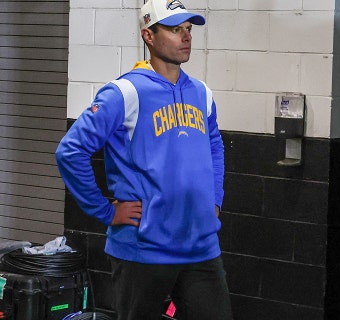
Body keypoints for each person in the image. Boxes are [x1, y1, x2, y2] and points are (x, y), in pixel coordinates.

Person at [55, 0, 232, 319]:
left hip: (198, 245)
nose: (186, 37)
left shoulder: (201, 93)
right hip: (142, 246)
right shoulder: (125, 92)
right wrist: (106, 211)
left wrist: (215, 198)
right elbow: (70, 151)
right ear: (149, 36)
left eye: (188, 29)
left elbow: (214, 144)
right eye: (175, 29)